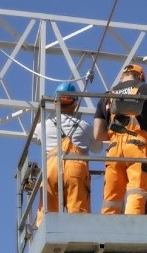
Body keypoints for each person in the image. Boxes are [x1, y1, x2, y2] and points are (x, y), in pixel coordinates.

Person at [93, 64, 147, 215]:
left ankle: (109, 229)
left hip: (113, 149)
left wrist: (116, 135)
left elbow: (98, 134)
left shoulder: (107, 96)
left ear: (122, 77)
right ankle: (134, 227)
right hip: (137, 146)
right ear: (140, 76)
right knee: (137, 189)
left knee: (111, 196)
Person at [34, 82, 100, 223]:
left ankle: (45, 231)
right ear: (75, 104)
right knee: (78, 214)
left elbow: (35, 138)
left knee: (48, 213)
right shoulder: (85, 127)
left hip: (50, 170)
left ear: (55, 103)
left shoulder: (43, 126)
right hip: (76, 170)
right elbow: (97, 148)